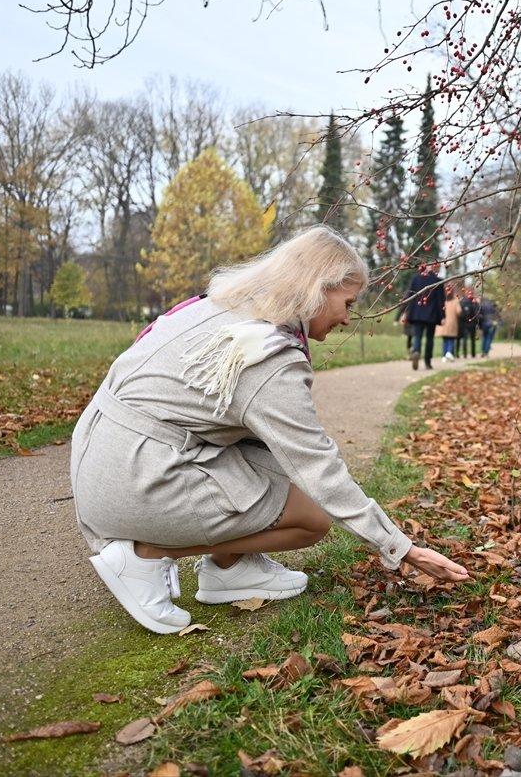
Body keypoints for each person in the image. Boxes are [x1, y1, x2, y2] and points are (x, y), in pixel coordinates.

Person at [70, 227, 469, 635]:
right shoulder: (268, 355)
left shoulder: (223, 309)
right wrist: (402, 548)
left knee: (279, 473)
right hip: (135, 476)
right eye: (347, 303)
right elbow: (317, 467)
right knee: (310, 519)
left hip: (103, 452)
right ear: (317, 288)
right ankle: (144, 555)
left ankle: (231, 567)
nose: (348, 317)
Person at [402, 264, 446, 370]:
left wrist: (406, 312)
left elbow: (410, 296)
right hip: (432, 315)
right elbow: (441, 301)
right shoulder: (438, 281)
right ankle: (428, 362)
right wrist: (443, 316)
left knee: (417, 336)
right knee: (430, 339)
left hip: (417, 314)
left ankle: (416, 351)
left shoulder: (416, 279)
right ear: (433, 269)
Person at [437, 285, 462, 361]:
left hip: (443, 323)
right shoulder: (455, 301)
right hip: (452, 323)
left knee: (445, 340)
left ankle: (444, 356)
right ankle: (449, 352)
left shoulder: (442, 300)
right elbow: (459, 311)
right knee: (451, 339)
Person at [458, 290, 480, 359]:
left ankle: (465, 354)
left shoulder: (463, 302)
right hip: (471, 324)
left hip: (465, 324)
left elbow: (460, 314)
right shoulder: (474, 302)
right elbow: (477, 313)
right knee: (472, 339)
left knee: (466, 339)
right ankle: (473, 354)